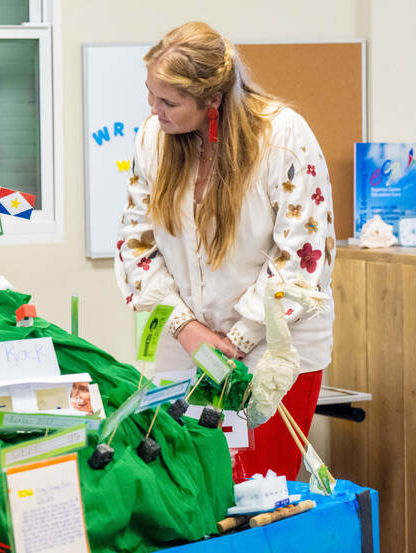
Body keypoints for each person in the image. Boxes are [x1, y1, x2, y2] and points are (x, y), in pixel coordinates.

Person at [114, 22, 335, 482]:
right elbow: (136, 246)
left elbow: (303, 258)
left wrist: (236, 340)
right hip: (183, 345)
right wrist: (187, 329)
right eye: (150, 95)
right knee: (188, 491)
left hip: (268, 350)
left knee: (261, 495)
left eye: (168, 101)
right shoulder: (152, 138)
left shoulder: (282, 137)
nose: (153, 111)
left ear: (212, 100)